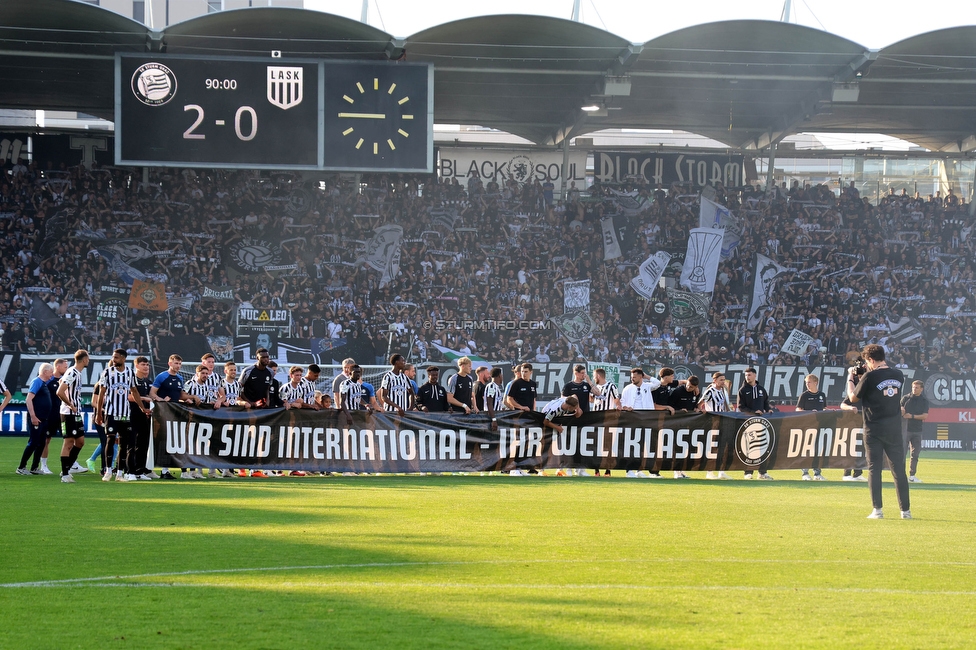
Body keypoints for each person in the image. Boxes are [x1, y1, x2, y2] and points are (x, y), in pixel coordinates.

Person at [846, 344, 911, 519]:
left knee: (874, 469)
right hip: (894, 429)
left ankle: (878, 510)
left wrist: (851, 379)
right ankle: (905, 511)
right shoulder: (898, 374)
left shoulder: (869, 376)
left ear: (871, 360)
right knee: (899, 470)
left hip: (874, 429)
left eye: (868, 362)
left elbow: (853, 398)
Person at [96, 348, 150, 482]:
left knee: (124, 443)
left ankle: (120, 473)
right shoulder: (108, 372)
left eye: (117, 358)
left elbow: (134, 392)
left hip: (125, 414)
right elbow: (101, 393)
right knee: (110, 439)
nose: (114, 360)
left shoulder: (130, 373)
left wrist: (142, 408)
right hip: (111, 412)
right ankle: (108, 470)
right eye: (113, 357)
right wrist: (98, 413)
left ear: (124, 359)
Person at [150, 354, 199, 480]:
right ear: (170, 363)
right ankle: (164, 470)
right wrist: (161, 400)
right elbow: (152, 393)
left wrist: (191, 397)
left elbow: (180, 395)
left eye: (179, 364)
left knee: (178, 441)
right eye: (176, 363)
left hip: (177, 413)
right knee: (164, 441)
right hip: (164, 414)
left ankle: (183, 471)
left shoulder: (180, 378)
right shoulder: (162, 376)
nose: (178, 366)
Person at [619, 368, 662, 479]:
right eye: (631, 377)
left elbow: (658, 383)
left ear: (640, 377)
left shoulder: (647, 386)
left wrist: (647, 376)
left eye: (634, 377)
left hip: (647, 419)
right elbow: (622, 402)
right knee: (632, 444)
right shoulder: (627, 388)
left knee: (645, 445)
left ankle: (640, 469)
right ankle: (629, 470)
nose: (632, 379)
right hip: (633, 419)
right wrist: (625, 407)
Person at [55, 350, 89, 482]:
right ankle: (65, 474)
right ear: (84, 359)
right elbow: (60, 391)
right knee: (68, 442)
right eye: (88, 359)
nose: (88, 361)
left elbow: (61, 384)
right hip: (68, 413)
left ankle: (68, 468)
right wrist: (70, 404)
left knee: (80, 442)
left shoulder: (77, 373)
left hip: (76, 413)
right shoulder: (72, 372)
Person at [736, 367, 774, 481]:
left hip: (761, 422)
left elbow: (765, 402)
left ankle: (762, 472)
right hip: (748, 423)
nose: (747, 377)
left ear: (755, 375)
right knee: (749, 447)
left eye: (749, 375)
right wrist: (753, 412)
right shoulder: (742, 390)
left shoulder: (761, 389)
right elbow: (740, 407)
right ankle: (748, 472)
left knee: (763, 447)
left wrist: (768, 409)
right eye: (746, 375)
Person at [17, 363, 54, 477]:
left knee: (41, 443)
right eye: (51, 372)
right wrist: (33, 416)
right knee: (33, 442)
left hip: (43, 419)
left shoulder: (43, 384)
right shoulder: (37, 381)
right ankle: (21, 467)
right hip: (36, 418)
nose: (52, 375)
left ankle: (34, 467)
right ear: (45, 372)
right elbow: (29, 399)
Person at [651, 367, 683, 478]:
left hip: (666, 420)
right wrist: (667, 407)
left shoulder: (670, 384)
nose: (673, 378)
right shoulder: (656, 388)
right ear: (665, 377)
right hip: (656, 419)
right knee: (656, 446)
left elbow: (684, 382)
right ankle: (653, 472)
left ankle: (677, 471)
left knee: (668, 445)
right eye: (672, 376)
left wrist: (696, 387)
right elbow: (654, 406)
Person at [699, 372, 732, 480]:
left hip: (722, 421)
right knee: (713, 447)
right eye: (721, 380)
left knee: (723, 447)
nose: (723, 382)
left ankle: (721, 471)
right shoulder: (710, 391)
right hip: (713, 422)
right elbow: (700, 404)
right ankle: (709, 471)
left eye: (724, 380)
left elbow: (725, 405)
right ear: (715, 380)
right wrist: (704, 411)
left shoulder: (722, 391)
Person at [794, 373, 827, 481]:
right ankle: (805, 473)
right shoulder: (804, 395)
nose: (807, 384)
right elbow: (798, 410)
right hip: (807, 426)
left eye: (809, 382)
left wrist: (829, 412)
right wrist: (809, 412)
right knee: (807, 448)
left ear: (815, 382)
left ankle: (817, 473)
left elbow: (825, 408)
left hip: (820, 425)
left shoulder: (822, 395)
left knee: (818, 449)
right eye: (806, 382)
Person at [129, 356, 155, 480]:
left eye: (147, 365)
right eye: (143, 364)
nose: (146, 367)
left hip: (144, 415)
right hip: (132, 414)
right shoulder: (131, 378)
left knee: (143, 444)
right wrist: (143, 399)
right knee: (131, 443)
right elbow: (128, 396)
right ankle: (129, 471)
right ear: (137, 366)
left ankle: (140, 471)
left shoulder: (145, 381)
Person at [900, 380, 929, 484]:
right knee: (902, 454)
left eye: (917, 387)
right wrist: (901, 409)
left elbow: (925, 416)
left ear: (921, 389)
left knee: (915, 454)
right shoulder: (905, 398)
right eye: (913, 387)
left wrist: (911, 416)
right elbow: (899, 409)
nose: (914, 389)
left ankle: (912, 476)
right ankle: (900, 476)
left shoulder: (924, 401)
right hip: (905, 430)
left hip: (917, 430)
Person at [840, 397, 866, 481]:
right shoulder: (854, 396)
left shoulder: (869, 396)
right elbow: (842, 405)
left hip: (864, 425)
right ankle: (847, 474)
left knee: (861, 449)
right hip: (852, 426)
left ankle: (857, 473)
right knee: (850, 449)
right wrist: (850, 408)